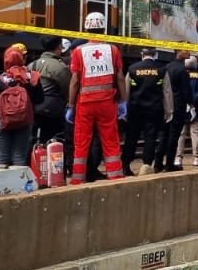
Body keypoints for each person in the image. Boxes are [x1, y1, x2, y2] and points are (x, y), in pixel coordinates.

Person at [67, 11, 127, 183]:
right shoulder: (113, 49)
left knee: (81, 141)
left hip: (85, 103)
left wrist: (71, 105)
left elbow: (75, 81)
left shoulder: (78, 51)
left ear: (86, 29)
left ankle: (77, 179)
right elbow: (120, 78)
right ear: (104, 28)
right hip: (107, 102)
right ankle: (115, 176)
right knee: (110, 140)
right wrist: (123, 101)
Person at [0, 44, 43, 169]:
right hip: (24, 121)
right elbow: (40, 99)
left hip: (3, 121)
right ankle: (20, 184)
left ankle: (3, 185)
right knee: (19, 159)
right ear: (22, 59)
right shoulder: (31, 78)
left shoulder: (0, 80)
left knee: (2, 159)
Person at [123, 48, 169, 174]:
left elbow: (126, 91)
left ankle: (125, 165)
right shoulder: (161, 69)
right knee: (150, 137)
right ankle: (146, 165)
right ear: (155, 54)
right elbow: (167, 92)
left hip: (135, 109)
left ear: (141, 54)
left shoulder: (132, 69)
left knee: (131, 137)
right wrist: (169, 111)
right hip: (154, 109)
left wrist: (124, 109)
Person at [29, 37, 71, 170]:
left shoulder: (32, 65)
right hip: (53, 109)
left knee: (34, 139)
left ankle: (34, 167)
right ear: (59, 47)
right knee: (57, 140)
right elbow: (68, 90)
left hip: (35, 108)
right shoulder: (60, 67)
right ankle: (56, 171)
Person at [176, 54, 198, 166]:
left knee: (180, 134)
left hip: (182, 108)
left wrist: (186, 102)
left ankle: (178, 158)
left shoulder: (181, 74)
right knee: (196, 134)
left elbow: (178, 90)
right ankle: (197, 158)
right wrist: (193, 102)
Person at [161, 50, 191, 171]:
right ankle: (169, 164)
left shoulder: (166, 67)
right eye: (185, 49)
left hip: (167, 104)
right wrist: (191, 102)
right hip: (178, 105)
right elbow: (186, 91)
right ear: (178, 52)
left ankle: (158, 162)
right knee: (174, 136)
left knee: (165, 134)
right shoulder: (182, 70)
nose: (189, 51)